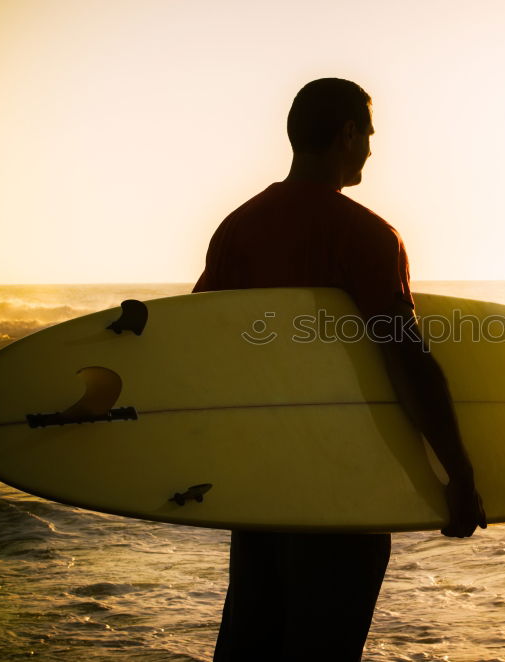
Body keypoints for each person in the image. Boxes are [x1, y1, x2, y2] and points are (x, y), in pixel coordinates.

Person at [193, 78, 486, 661]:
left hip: (258, 483)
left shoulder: (237, 228)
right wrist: (459, 473)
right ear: (348, 133)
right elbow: (406, 359)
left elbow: (202, 345)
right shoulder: (366, 236)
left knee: (251, 644)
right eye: (369, 134)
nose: (372, 150)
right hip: (343, 481)